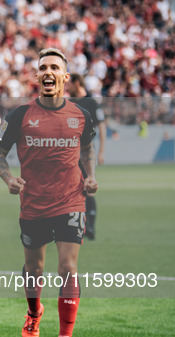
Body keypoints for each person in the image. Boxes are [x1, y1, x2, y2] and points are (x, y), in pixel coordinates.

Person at [0, 48, 98, 337]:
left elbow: (87, 149)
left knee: (68, 267)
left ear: (65, 77)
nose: (48, 72)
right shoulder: (21, 115)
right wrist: (9, 178)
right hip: (34, 203)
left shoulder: (81, 114)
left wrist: (90, 176)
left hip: (70, 200)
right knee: (34, 268)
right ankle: (34, 311)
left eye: (54, 67)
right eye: (42, 68)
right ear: (37, 76)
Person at [67, 73, 107, 240]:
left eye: (69, 83)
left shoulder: (91, 103)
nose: (66, 87)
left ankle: (90, 226)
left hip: (85, 152)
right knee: (71, 189)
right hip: (69, 152)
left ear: (77, 83)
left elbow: (101, 126)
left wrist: (101, 151)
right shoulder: (68, 104)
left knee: (88, 186)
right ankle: (75, 224)